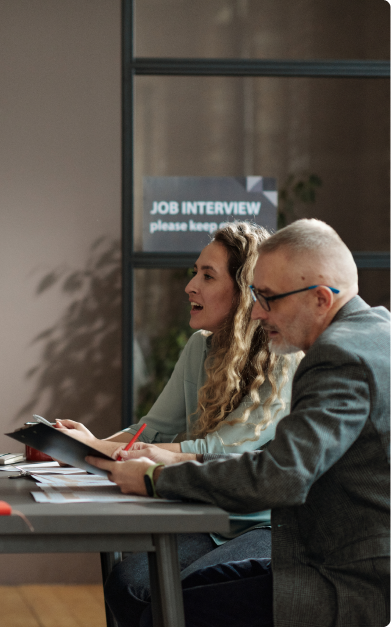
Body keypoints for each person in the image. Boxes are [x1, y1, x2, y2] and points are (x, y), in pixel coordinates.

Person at [89, 218, 391, 627]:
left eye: (269, 298)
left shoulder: (337, 357)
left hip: (353, 581)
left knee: (167, 611)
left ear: (321, 298)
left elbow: (280, 476)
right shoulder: (378, 332)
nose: (256, 311)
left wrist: (156, 477)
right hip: (331, 556)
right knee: (150, 595)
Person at [55, 221, 299, 626]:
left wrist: (99, 450)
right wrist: (90, 442)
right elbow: (152, 431)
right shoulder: (199, 347)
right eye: (194, 272)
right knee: (127, 585)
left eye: (207, 275)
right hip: (206, 514)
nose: (190, 286)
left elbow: (224, 450)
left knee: (178, 598)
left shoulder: (283, 356)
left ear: (244, 291)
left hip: (264, 524)